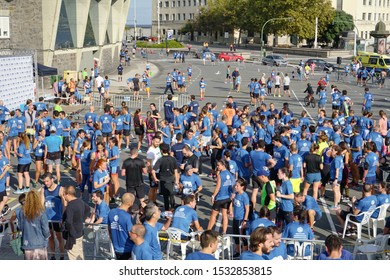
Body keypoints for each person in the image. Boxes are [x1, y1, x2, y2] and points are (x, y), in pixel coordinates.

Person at [19, 189, 50, 260]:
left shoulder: (22, 211)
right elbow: (45, 229)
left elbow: (21, 227)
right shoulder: (41, 211)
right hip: (40, 244)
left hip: (28, 243)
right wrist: (46, 237)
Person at [40, 172, 65, 260]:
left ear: (52, 179)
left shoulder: (60, 189)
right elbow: (41, 204)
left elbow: (64, 204)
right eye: (44, 182)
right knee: (50, 237)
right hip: (47, 219)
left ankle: (62, 256)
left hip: (57, 219)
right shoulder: (43, 190)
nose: (46, 183)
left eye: (47, 181)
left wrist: (63, 217)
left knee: (59, 238)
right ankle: (52, 255)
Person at [207, 160, 236, 234]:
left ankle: (208, 230)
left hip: (220, 198)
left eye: (218, 165)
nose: (217, 167)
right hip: (227, 198)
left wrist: (213, 196)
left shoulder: (220, 175)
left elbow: (218, 187)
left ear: (223, 165)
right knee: (224, 215)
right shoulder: (230, 174)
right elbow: (233, 185)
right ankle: (224, 232)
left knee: (213, 215)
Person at [62, 186, 89, 260]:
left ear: (67, 194)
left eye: (63, 195)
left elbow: (68, 222)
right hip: (80, 232)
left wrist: (71, 233)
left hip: (73, 235)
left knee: (73, 256)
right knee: (80, 254)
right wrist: (83, 218)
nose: (63, 197)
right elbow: (87, 208)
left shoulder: (70, 206)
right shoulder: (80, 201)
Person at [151, 143, 179, 210]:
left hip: (163, 180)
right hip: (171, 179)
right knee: (171, 195)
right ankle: (172, 209)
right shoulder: (173, 159)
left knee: (165, 197)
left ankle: (167, 211)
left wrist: (155, 178)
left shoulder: (160, 160)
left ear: (161, 151)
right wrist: (177, 180)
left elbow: (153, 171)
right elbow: (176, 171)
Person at [108, 193, 135, 260]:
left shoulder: (111, 212)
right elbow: (131, 234)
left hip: (116, 247)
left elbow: (110, 230)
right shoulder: (128, 217)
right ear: (130, 203)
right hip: (127, 249)